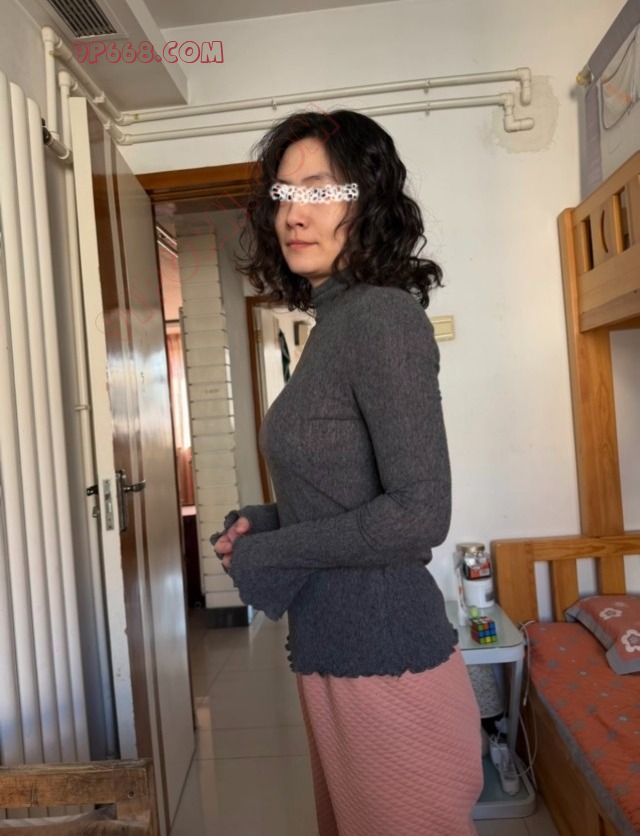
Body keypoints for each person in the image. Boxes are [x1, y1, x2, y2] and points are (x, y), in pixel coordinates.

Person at [211, 109, 483, 836]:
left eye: (321, 190)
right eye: (283, 193)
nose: (293, 212)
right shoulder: (334, 323)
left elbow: (420, 513)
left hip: (384, 659)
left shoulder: (381, 319)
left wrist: (276, 551)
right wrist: (265, 523)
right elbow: (346, 490)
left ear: (369, 202)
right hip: (335, 648)